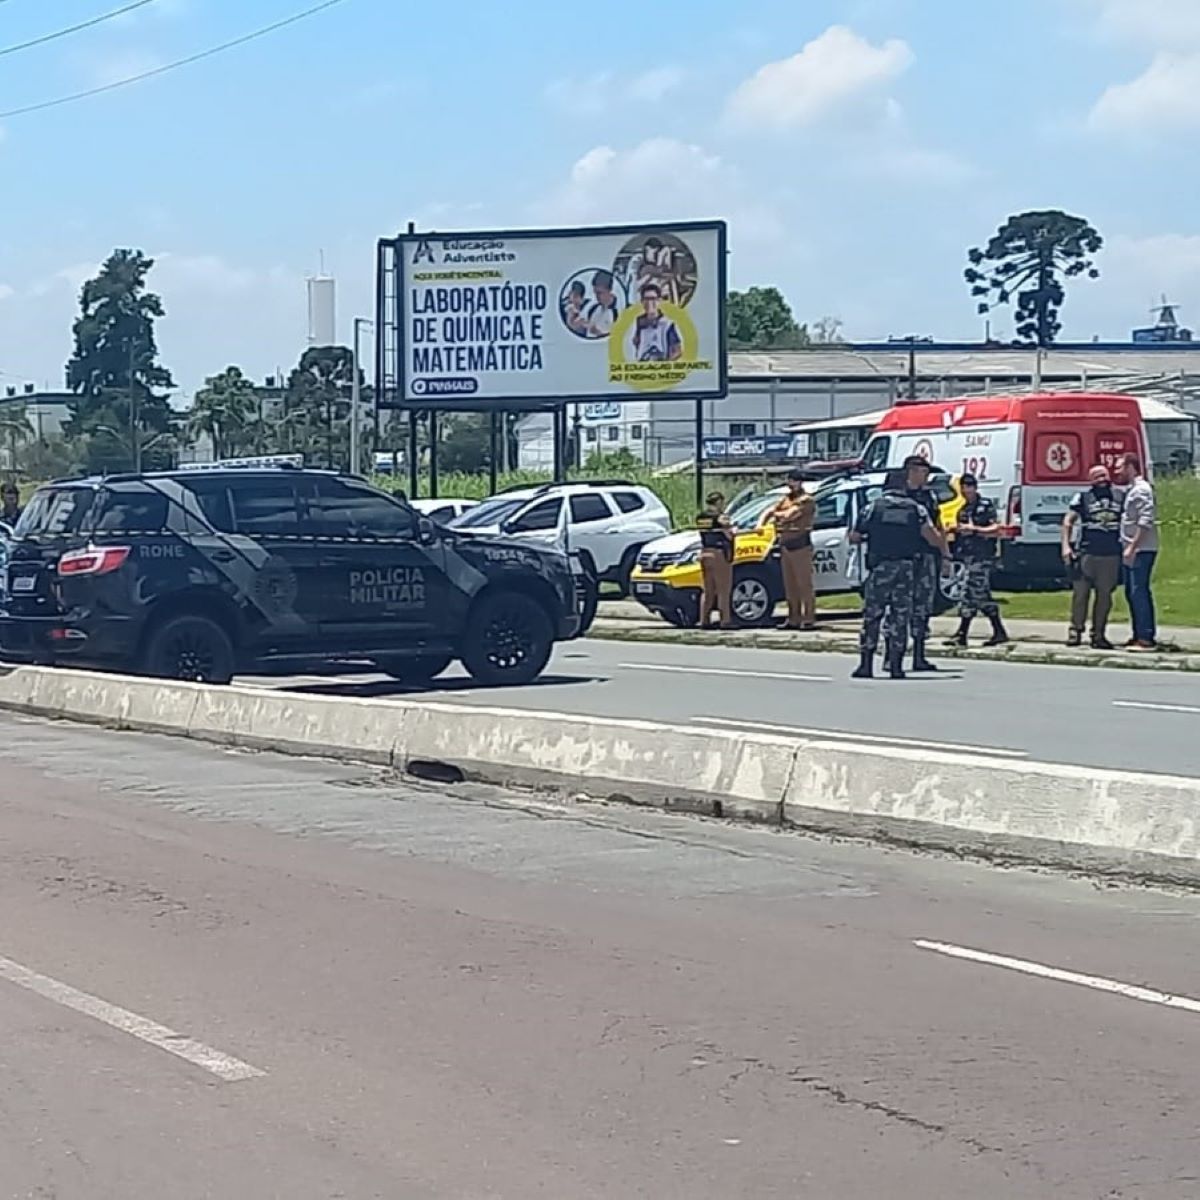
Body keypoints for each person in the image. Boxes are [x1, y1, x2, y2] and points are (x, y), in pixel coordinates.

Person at [850, 469, 947, 679]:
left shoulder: (873, 507)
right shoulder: (916, 509)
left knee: (872, 615)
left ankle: (865, 665)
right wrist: (942, 548)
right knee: (900, 615)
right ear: (904, 486)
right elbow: (931, 536)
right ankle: (896, 666)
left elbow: (854, 536)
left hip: (880, 568)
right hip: (906, 569)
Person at [1061, 464, 1123, 649]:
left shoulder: (1121, 496)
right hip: (1086, 552)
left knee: (1104, 596)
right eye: (1096, 476)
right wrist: (1066, 546)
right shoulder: (1083, 497)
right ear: (1090, 480)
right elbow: (1067, 521)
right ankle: (1075, 631)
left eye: (1103, 475)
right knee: (1080, 595)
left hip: (1111, 554)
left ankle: (1098, 634)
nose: (1101, 479)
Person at [947, 473, 1008, 648]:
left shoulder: (985, 506)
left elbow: (996, 528)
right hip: (969, 556)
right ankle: (999, 631)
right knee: (981, 597)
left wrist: (974, 530)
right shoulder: (963, 510)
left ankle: (962, 634)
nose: (965, 491)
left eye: (968, 487)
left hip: (983, 557)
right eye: (963, 488)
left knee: (968, 594)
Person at [763, 470, 816, 630]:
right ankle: (793, 618)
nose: (790, 484)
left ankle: (808, 618)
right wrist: (764, 522)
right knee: (789, 585)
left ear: (800, 482)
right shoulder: (785, 499)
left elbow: (789, 516)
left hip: (801, 545)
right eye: (789, 481)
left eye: (794, 481)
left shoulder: (806, 500)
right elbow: (769, 511)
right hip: (786, 545)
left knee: (803, 585)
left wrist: (777, 516)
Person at [904, 455, 944, 671]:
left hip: (926, 555)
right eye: (922, 472)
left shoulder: (929, 496)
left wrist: (945, 554)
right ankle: (893, 655)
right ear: (911, 471)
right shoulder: (897, 494)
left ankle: (919, 654)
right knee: (899, 607)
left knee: (923, 607)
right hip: (903, 557)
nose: (926, 476)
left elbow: (938, 525)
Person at [1117, 452, 1159, 651]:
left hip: (1141, 549)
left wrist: (1133, 547)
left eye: (1120, 467)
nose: (1117, 471)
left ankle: (1146, 636)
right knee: (1131, 592)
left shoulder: (1141, 490)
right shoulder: (1132, 489)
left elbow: (1145, 521)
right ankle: (1137, 634)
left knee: (1139, 591)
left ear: (1130, 467)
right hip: (1131, 548)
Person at [696, 491, 734, 630]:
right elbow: (729, 534)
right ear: (718, 502)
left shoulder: (701, 517)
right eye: (722, 502)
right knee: (723, 589)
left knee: (708, 590)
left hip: (705, 553)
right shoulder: (720, 517)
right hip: (719, 555)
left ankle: (704, 620)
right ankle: (725, 621)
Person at [632, 283, 682, 362]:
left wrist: (666, 364)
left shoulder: (667, 324)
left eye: (653, 299)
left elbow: (677, 350)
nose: (649, 303)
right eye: (646, 299)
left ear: (659, 301)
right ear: (642, 301)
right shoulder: (639, 322)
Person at [584, 271, 620, 339]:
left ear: (610, 290)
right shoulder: (592, 308)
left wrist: (598, 333)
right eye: (595, 292)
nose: (596, 296)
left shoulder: (620, 312)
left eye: (599, 293)